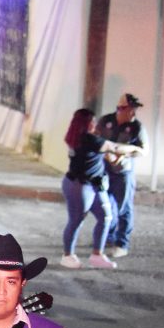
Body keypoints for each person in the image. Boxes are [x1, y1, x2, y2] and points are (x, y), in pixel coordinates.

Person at [61, 108, 142, 270]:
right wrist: (136, 149)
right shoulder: (88, 139)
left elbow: (106, 155)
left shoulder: (79, 138)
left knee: (106, 217)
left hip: (94, 185)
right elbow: (115, 148)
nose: (95, 123)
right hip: (80, 186)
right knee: (76, 220)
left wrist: (115, 157)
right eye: (92, 121)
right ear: (86, 123)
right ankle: (68, 256)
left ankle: (97, 255)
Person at [99, 93, 149, 258]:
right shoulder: (106, 121)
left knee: (124, 208)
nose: (133, 113)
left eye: (134, 110)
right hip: (104, 170)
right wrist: (106, 153)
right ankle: (108, 237)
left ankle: (122, 244)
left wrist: (125, 152)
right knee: (106, 206)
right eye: (130, 109)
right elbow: (95, 141)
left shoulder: (137, 127)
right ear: (121, 108)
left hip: (123, 173)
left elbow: (143, 150)